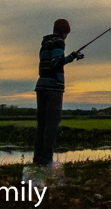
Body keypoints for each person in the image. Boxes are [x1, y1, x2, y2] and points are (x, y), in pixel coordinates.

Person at [33, 18, 84, 166]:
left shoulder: (45, 43)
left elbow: (49, 62)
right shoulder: (58, 42)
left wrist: (70, 56)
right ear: (65, 32)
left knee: (41, 124)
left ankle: (38, 159)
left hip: (41, 85)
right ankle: (47, 160)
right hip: (53, 87)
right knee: (52, 124)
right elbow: (56, 62)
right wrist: (72, 57)